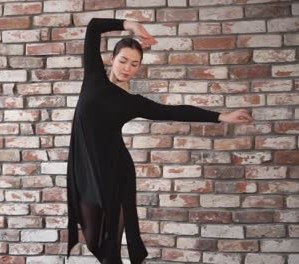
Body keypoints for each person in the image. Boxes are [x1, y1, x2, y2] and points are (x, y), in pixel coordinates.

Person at [66, 18, 254, 264]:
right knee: (92, 241)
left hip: (114, 170)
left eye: (134, 64)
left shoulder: (133, 102)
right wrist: (129, 24)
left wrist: (222, 116)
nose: (127, 68)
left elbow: (174, 112)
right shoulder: (93, 75)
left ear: (138, 68)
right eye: (123, 60)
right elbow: (93, 27)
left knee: (110, 244)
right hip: (83, 168)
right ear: (112, 59)